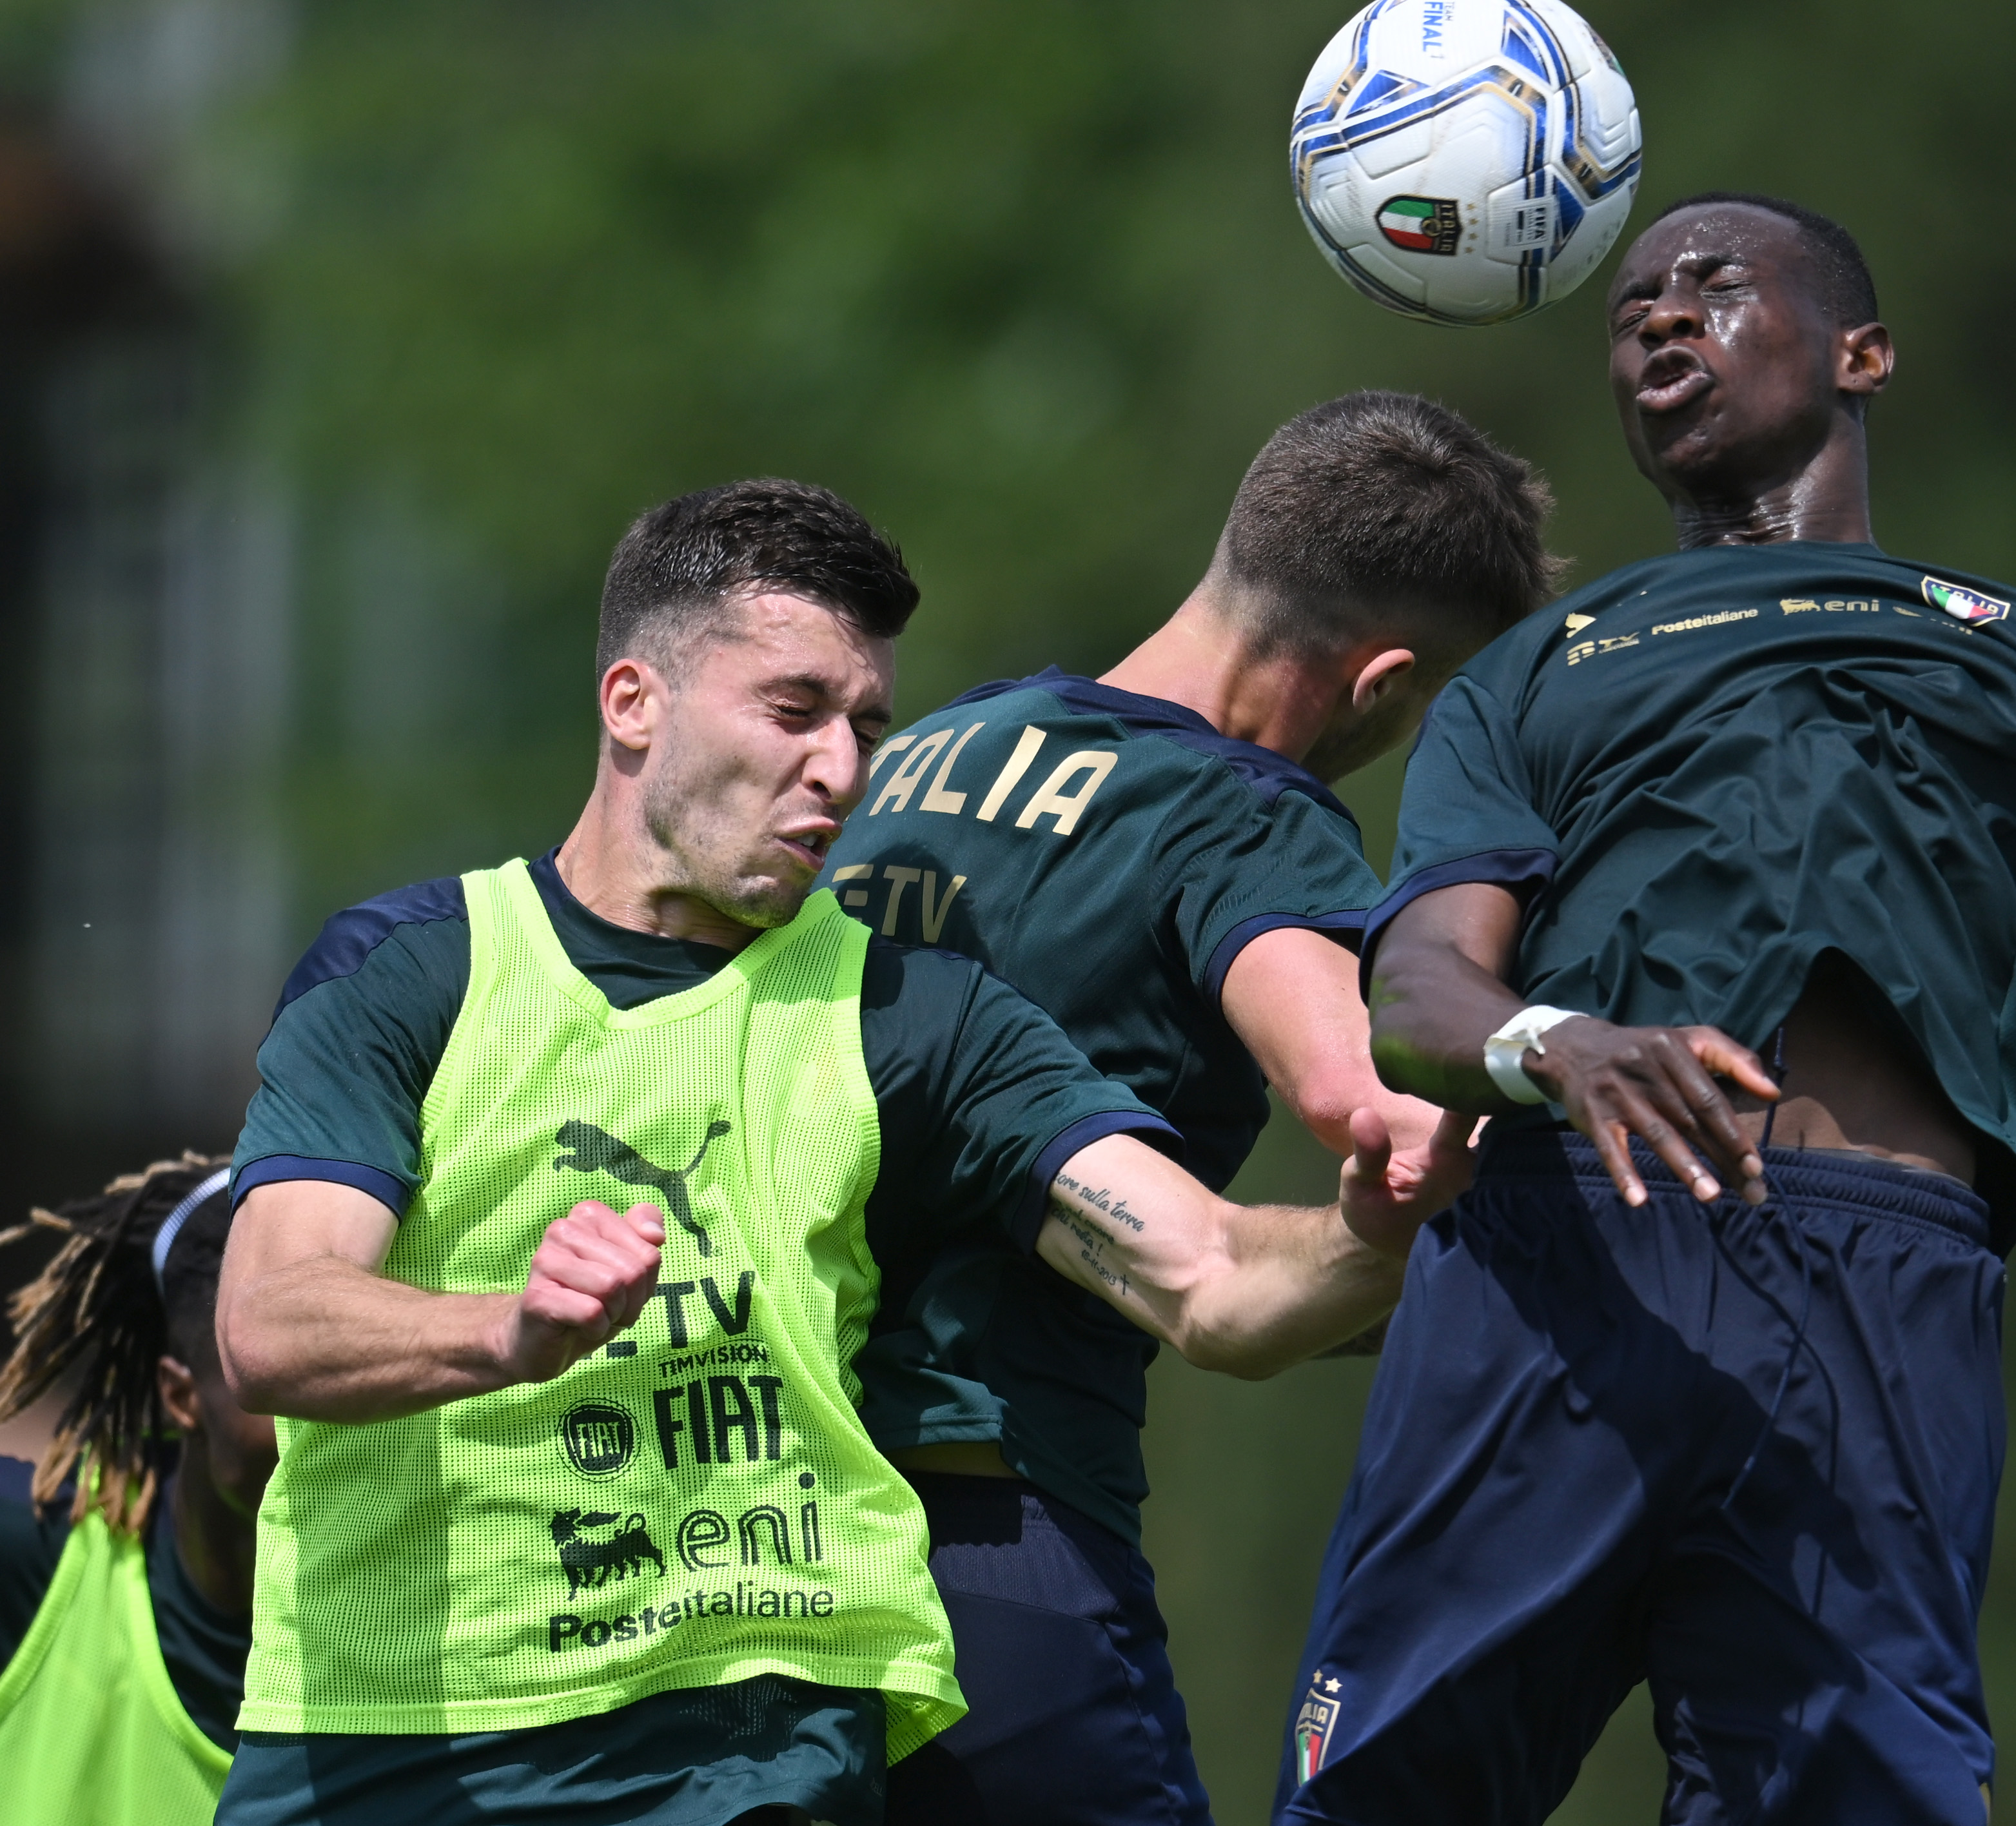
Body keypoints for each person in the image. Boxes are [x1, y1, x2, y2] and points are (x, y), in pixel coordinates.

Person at [1276, 195, 2016, 1826]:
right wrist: (1550, 1042)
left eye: (1711, 289)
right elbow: (1412, 986)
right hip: (1569, 1257)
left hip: (1875, 1308)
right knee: (1383, 1799)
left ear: (1862, 354)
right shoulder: (1541, 671)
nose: (1658, 323)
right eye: (1629, 312)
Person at [213, 479, 1464, 1826]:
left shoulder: (910, 1016)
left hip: (734, 1757)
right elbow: (272, 1325)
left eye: (866, 723)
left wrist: (1368, 1232)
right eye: (794, 711)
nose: (842, 769)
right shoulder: (410, 970)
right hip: (385, 1739)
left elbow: (1211, 1276)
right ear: (633, 703)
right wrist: (505, 1332)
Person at [823, 389, 1558, 1826]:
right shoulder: (1241, 814)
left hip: (750, 1535)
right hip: (995, 1537)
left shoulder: (911, 759)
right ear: (1383, 682)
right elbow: (1361, 1091)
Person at [0, 1154, 266, 1821]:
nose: (337, 1409)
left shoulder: (449, 1610)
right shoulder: (40, 1559)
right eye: (282, 1380)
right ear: (182, 1396)